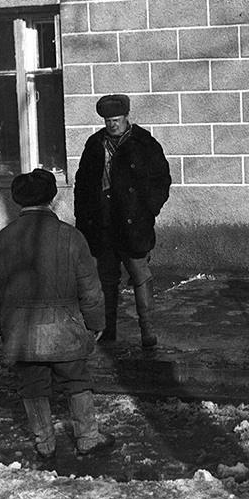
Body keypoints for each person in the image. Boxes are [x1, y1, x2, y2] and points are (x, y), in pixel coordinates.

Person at [0, 168, 115, 459]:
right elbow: (90, 287)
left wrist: (1, 328)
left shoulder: (1, 241)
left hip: (20, 333)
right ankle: (88, 437)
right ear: (51, 199)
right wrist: (96, 322)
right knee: (77, 380)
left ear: (19, 201)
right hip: (66, 329)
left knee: (31, 386)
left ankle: (45, 443)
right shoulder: (72, 237)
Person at [74, 94, 172, 349]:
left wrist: (149, 209)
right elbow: (82, 186)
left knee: (140, 276)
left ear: (126, 117)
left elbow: (162, 180)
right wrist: (84, 221)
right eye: (108, 121)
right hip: (103, 227)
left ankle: (147, 330)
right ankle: (108, 334)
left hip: (133, 226)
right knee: (106, 282)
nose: (112, 125)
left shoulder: (144, 143)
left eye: (116, 120)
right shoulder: (95, 144)